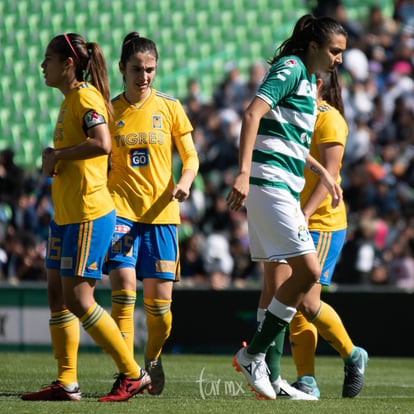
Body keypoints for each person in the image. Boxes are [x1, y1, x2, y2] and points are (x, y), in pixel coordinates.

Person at [21, 33, 151, 403]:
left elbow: (102, 143)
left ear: (68, 65)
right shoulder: (69, 102)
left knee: (79, 299)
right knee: (56, 296)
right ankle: (67, 382)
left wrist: (58, 157)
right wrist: (54, 154)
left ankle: (133, 373)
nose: (42, 66)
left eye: (48, 58)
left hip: (88, 215)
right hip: (66, 215)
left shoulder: (86, 97)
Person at [226, 14, 347, 400]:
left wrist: (320, 172)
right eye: (334, 51)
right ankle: (254, 353)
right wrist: (243, 173)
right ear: (313, 47)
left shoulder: (311, 82)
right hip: (270, 186)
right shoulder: (292, 67)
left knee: (275, 282)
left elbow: (290, 141)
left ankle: (273, 376)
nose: (339, 59)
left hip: (283, 187)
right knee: (308, 271)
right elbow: (252, 114)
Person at [258, 70, 368, 400]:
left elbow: (330, 174)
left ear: (316, 84)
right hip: (291, 217)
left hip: (320, 221)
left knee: (306, 300)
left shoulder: (329, 119)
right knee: (286, 296)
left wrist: (304, 215)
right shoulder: (294, 115)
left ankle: (352, 355)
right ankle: (305, 379)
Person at [105, 32, 199, 396]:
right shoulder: (109, 111)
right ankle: (128, 373)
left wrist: (186, 181)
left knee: (159, 313)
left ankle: (152, 358)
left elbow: (190, 156)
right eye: (136, 70)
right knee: (124, 294)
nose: (143, 77)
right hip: (120, 212)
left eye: (150, 70)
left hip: (162, 216)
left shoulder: (170, 108)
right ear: (121, 69)